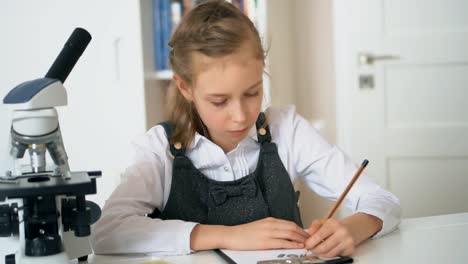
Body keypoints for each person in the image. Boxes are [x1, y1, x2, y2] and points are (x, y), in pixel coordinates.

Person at [91, 0, 400, 258]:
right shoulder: (159, 148)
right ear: (185, 88)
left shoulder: (286, 129)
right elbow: (108, 232)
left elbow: (382, 200)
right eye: (219, 101)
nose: (240, 116)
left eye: (252, 92)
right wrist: (227, 235)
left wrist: (353, 229)